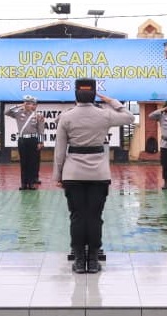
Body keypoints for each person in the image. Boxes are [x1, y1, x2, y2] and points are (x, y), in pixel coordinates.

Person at [53, 79, 134, 273]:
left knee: (77, 216)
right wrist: (112, 101)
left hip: (73, 173)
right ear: (94, 93)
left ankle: (80, 259)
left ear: (75, 94)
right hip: (98, 173)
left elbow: (60, 150)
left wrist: (58, 174)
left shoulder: (66, 117)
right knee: (95, 216)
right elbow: (130, 117)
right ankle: (94, 258)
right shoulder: (104, 115)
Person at [6, 95, 46, 190]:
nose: (28, 105)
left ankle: (31, 183)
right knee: (23, 162)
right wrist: (19, 105)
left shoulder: (38, 115)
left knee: (32, 162)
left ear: (33, 105)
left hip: (33, 140)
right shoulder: (18, 113)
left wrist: (40, 142)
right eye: (26, 103)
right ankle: (24, 183)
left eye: (30, 103)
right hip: (22, 140)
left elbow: (41, 130)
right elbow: (7, 112)